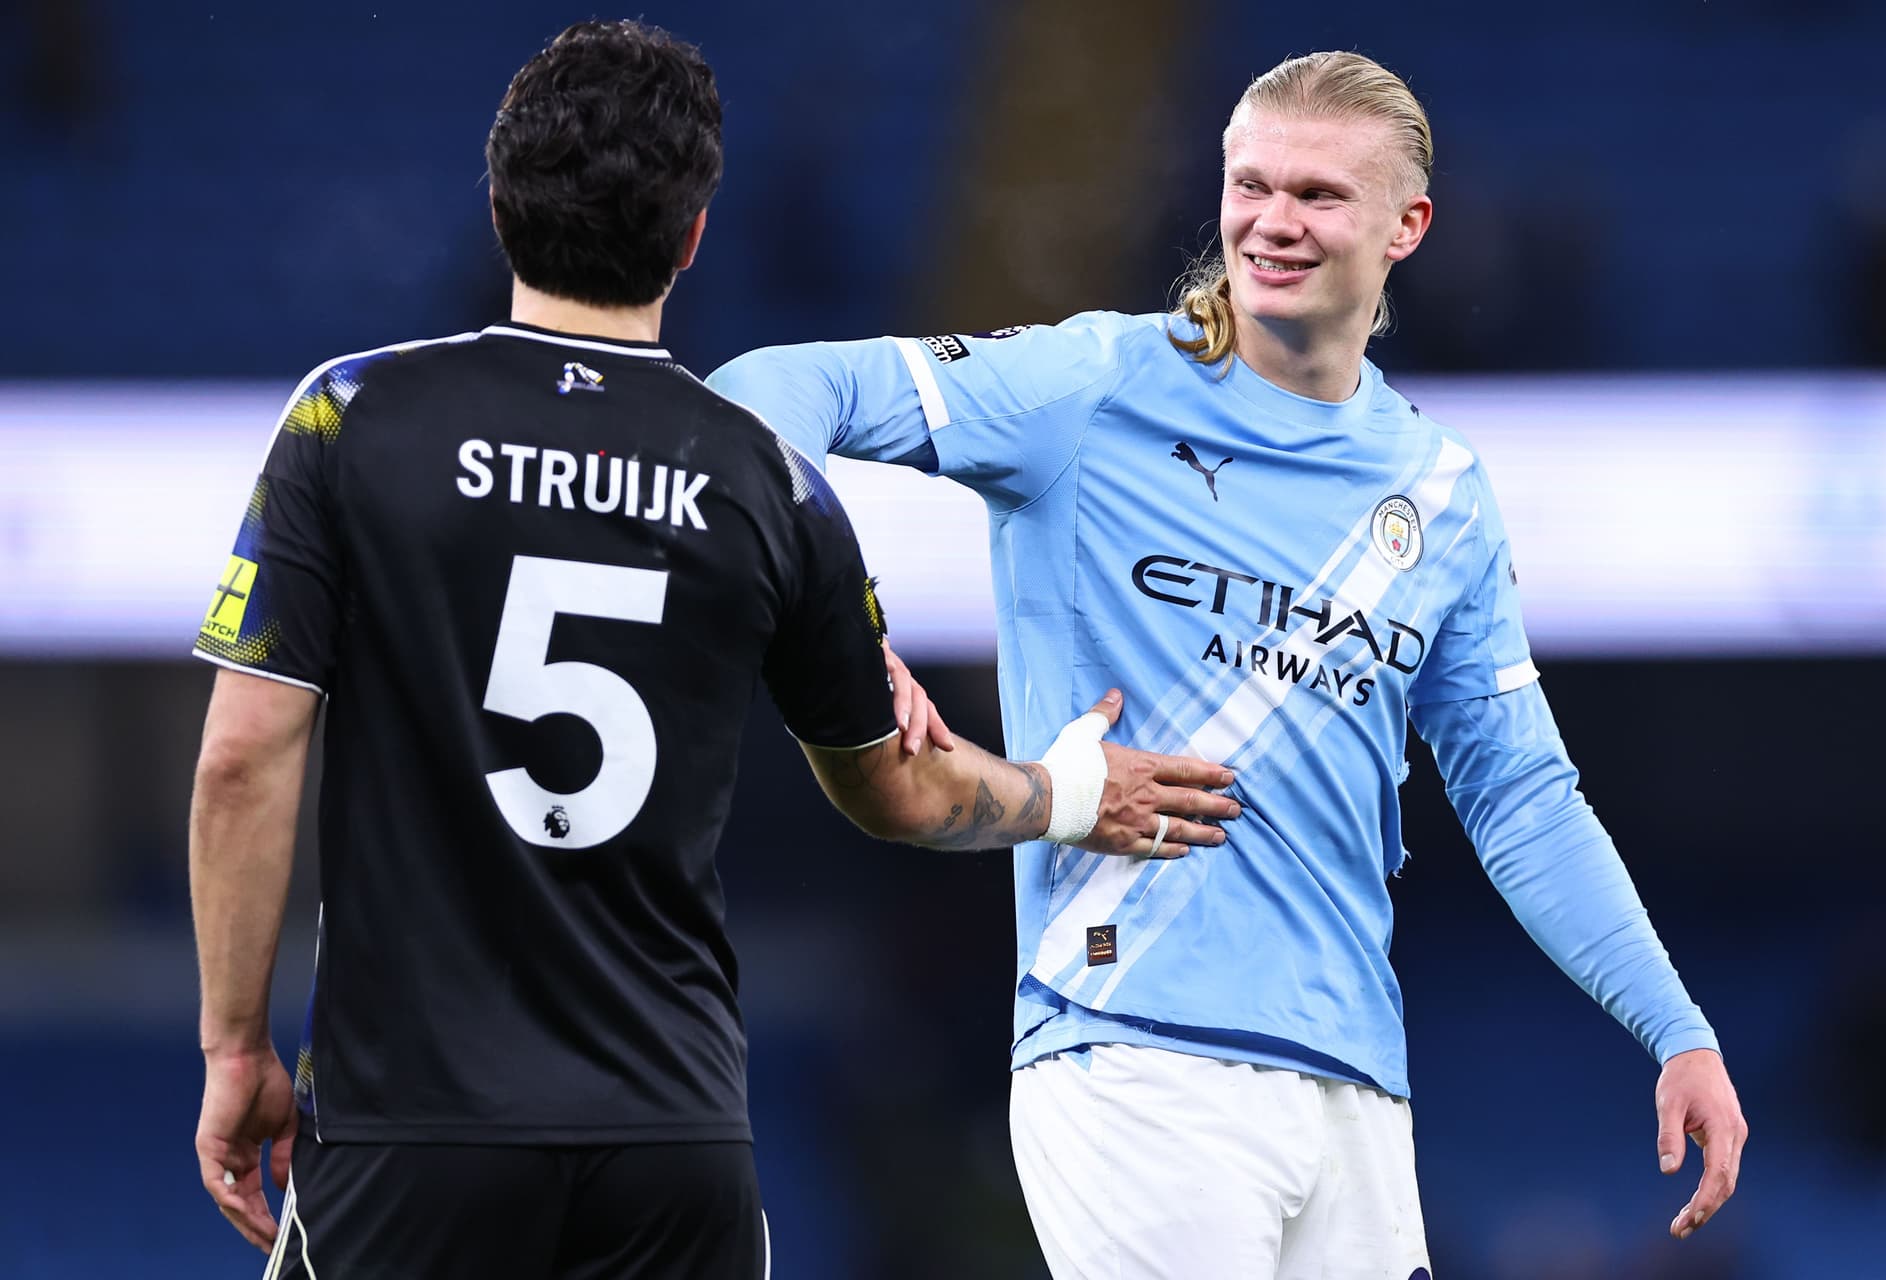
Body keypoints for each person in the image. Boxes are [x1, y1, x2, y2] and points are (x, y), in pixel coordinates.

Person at [185, 20, 1237, 1280]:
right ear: (690, 238)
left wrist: (234, 1049)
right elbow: (900, 788)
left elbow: (243, 762)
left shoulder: (352, 417)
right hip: (669, 1138)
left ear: (500, 204)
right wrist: (1067, 792)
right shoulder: (764, 479)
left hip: (415, 1129)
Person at [709, 50, 1749, 1280]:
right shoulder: (1094, 385)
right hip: (1130, 1045)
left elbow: (1524, 798)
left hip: (1356, 1086)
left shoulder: (1441, 492)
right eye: (1249, 184)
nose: (1272, 220)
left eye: (1316, 193)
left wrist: (1675, 1028)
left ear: (1408, 225)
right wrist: (850, 635)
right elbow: (761, 393)